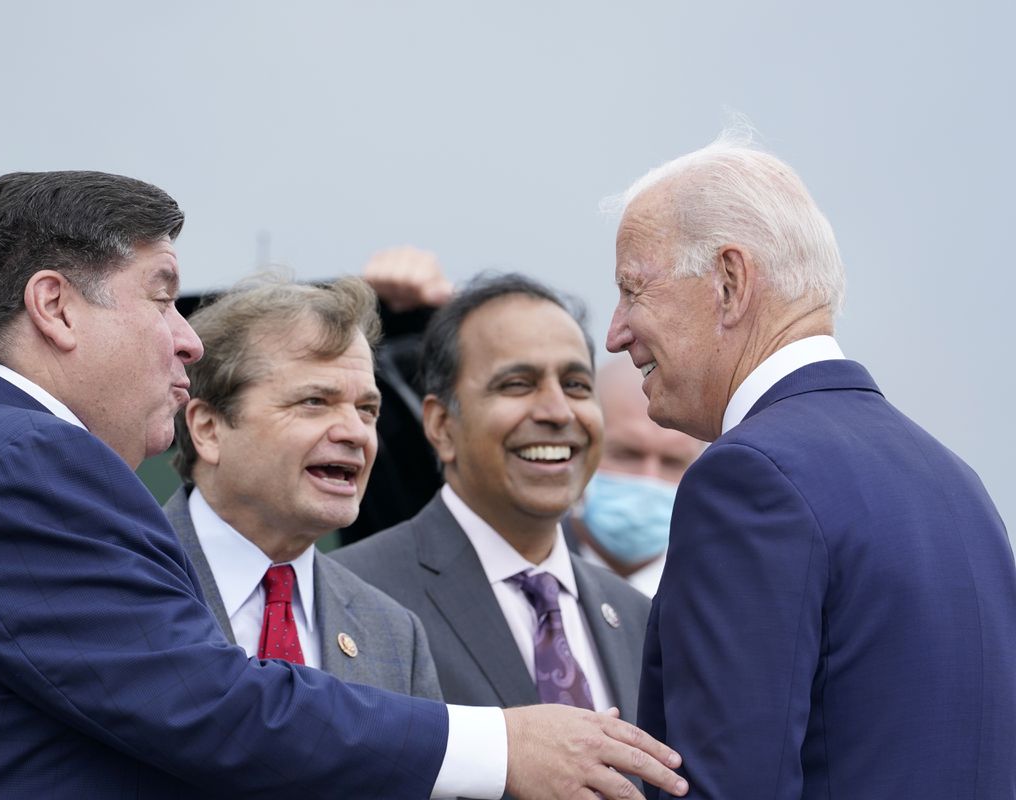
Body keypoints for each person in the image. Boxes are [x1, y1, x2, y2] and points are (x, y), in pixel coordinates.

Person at [0, 171, 686, 799]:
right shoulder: (23, 460)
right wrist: (502, 744)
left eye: (365, 406)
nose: (184, 340)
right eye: (160, 299)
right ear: (53, 305)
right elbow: (208, 704)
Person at [604, 134, 1016, 798]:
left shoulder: (748, 478)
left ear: (731, 282)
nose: (616, 331)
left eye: (633, 290)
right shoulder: (958, 484)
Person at [334, 273, 654, 793]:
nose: (556, 412)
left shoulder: (640, 620)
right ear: (440, 425)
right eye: (517, 384)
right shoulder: (350, 596)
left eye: (576, 385)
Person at [165, 274, 441, 698]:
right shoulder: (119, 583)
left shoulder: (396, 634)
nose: (357, 433)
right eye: (315, 402)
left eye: (368, 409)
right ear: (208, 428)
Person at [565, 357, 703, 596]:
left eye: (672, 462)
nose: (649, 479)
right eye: (627, 454)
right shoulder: (526, 571)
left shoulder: (724, 593)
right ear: (576, 449)